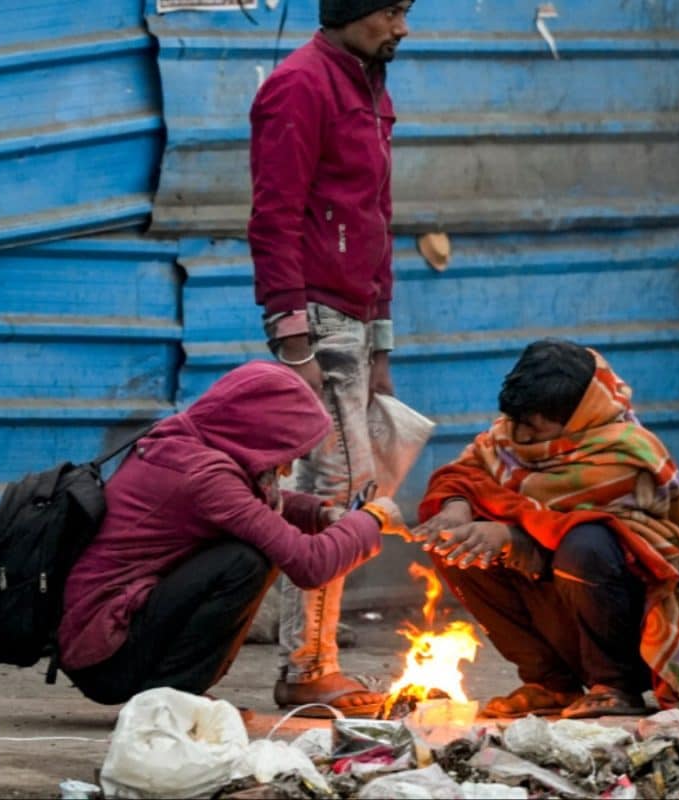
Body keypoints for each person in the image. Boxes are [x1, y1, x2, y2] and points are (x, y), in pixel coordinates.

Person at [412, 340, 679, 718]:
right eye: (517, 423)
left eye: (534, 427)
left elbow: (599, 529)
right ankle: (550, 683)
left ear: (578, 417)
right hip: (557, 604)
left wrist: (511, 536)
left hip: (638, 618)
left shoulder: (630, 453)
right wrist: (456, 509)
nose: (522, 438)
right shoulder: (506, 438)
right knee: (458, 546)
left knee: (585, 545)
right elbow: (463, 476)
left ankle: (613, 684)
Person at [57, 362, 404, 706]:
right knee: (247, 560)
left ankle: (175, 693)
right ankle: (175, 698)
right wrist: (371, 517)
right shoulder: (206, 476)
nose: (287, 468)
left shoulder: (186, 442)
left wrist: (320, 512)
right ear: (260, 433)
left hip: (103, 641)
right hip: (108, 656)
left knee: (250, 548)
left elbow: (252, 503)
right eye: (287, 454)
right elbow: (309, 565)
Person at [247, 0, 413, 715]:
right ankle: (308, 666)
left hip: (353, 323)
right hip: (316, 319)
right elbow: (273, 214)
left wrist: (380, 344)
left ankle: (313, 658)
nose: (401, 28)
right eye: (389, 11)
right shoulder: (300, 85)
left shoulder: (366, 83)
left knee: (345, 487)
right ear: (349, 9)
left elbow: (375, 215)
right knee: (344, 494)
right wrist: (293, 339)